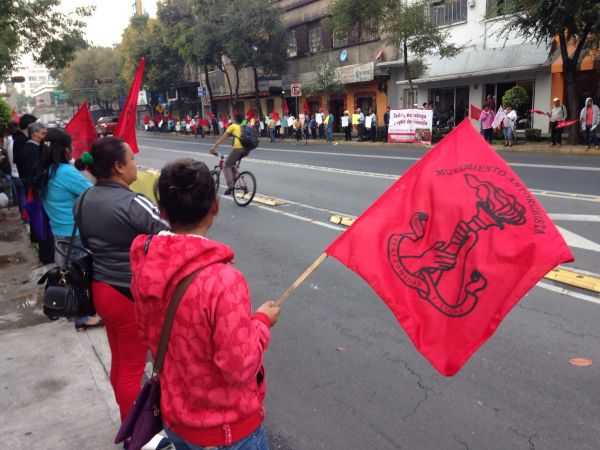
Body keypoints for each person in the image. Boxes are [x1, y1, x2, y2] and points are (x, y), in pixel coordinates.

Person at [131, 158, 280, 450]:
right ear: (215, 206)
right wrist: (261, 322)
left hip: (175, 417)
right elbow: (239, 367)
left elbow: (145, 332)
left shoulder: (144, 263)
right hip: (226, 431)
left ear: (162, 211)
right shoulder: (223, 280)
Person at [77, 137, 169, 427]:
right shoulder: (133, 202)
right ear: (118, 166)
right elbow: (170, 235)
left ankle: (126, 423)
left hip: (102, 289)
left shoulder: (83, 199)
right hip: (129, 292)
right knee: (132, 367)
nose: (135, 164)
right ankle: (135, 434)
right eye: (131, 159)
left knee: (120, 362)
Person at [29, 128, 102, 331]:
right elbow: (93, 193)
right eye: (70, 145)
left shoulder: (44, 170)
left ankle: (70, 310)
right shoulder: (64, 171)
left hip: (58, 230)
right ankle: (83, 318)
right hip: (76, 232)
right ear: (65, 149)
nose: (72, 149)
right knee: (81, 276)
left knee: (67, 274)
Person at [210, 113, 249, 195]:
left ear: (234, 119)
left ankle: (231, 186)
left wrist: (214, 147)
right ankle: (243, 185)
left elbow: (222, 138)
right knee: (233, 165)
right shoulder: (245, 127)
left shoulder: (233, 126)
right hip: (246, 150)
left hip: (237, 149)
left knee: (227, 165)